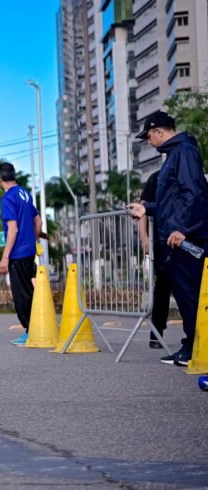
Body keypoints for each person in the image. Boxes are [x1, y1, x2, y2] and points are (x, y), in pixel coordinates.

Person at [127, 110, 208, 366]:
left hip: (184, 239)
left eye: (149, 136)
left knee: (191, 296)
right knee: (186, 297)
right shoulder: (175, 155)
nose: (149, 142)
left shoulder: (183, 153)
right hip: (175, 239)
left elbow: (194, 194)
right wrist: (147, 209)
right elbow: (171, 201)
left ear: (160, 131)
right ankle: (192, 344)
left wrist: (182, 228)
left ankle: (198, 348)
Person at [0, 162, 41, 346]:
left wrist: (5, 256)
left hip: (17, 253)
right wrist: (33, 240)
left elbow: (12, 229)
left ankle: (31, 331)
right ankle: (37, 327)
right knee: (31, 290)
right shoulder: (25, 193)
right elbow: (37, 221)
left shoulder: (8, 199)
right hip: (30, 250)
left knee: (21, 294)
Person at [137, 170, 172, 349]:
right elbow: (141, 210)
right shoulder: (156, 177)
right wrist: (144, 238)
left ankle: (196, 335)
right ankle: (156, 334)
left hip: (190, 240)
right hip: (161, 241)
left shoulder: (193, 175)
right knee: (163, 288)